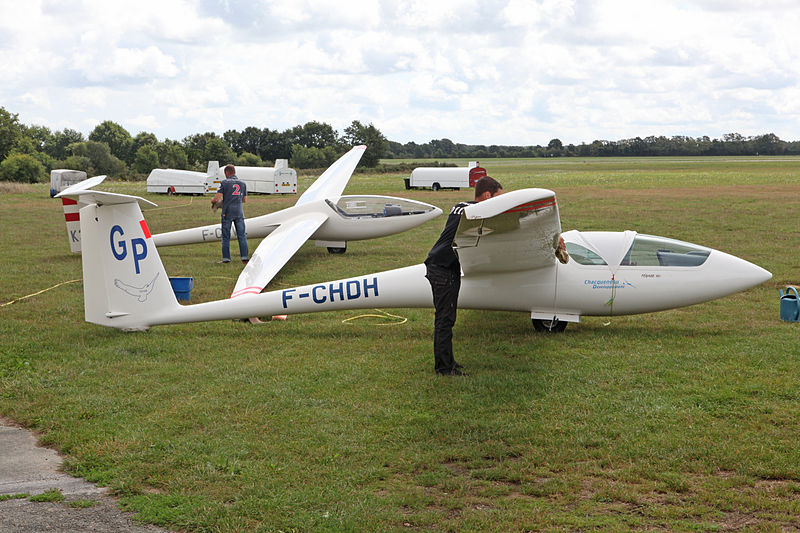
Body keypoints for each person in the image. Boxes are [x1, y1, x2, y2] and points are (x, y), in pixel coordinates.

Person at [424, 176, 503, 376]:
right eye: (496, 198)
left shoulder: (461, 207)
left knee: (447, 317)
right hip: (443, 268)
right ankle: (444, 368)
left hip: (443, 266)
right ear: (487, 195)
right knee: (445, 319)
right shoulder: (472, 212)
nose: (496, 202)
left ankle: (448, 361)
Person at [211, 164, 248, 264]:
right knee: (242, 235)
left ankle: (226, 259)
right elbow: (244, 200)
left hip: (227, 212)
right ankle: (244, 257)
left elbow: (216, 198)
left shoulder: (224, 183)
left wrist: (213, 201)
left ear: (227, 172)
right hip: (239, 212)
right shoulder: (242, 184)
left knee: (226, 236)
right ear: (234, 172)